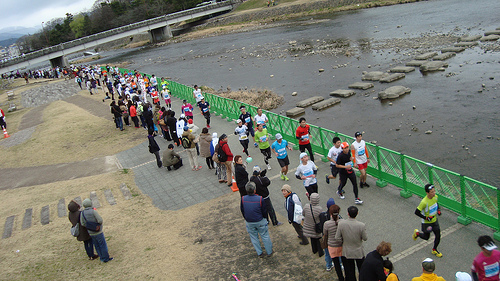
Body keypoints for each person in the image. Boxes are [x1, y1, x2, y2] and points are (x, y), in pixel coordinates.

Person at [240, 182, 273, 258]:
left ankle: (259, 253)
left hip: (249, 221)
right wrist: (264, 218)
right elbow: (264, 211)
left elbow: (242, 210)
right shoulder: (260, 199)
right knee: (265, 236)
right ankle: (269, 251)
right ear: (254, 190)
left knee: (254, 237)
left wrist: (246, 218)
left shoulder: (243, 199)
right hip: (260, 220)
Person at [335, 206, 368, 281]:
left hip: (347, 251)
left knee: (350, 271)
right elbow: (365, 238)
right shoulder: (361, 225)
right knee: (361, 270)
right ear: (357, 213)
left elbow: (337, 238)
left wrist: (343, 241)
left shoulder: (341, 224)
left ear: (348, 214)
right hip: (358, 251)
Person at [412, 184, 442, 258]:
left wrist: (438, 210)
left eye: (434, 191)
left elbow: (436, 203)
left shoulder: (435, 197)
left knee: (438, 235)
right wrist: (426, 218)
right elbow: (416, 212)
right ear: (427, 193)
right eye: (432, 192)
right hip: (427, 223)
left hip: (434, 220)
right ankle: (417, 233)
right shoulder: (424, 202)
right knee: (426, 237)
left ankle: (434, 249)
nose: (434, 193)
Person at [80, 198, 113, 263]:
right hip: (98, 231)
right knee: (102, 245)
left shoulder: (82, 213)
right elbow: (100, 220)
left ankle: (101, 258)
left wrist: (89, 226)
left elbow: (82, 223)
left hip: (90, 232)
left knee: (96, 245)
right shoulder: (93, 211)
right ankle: (106, 258)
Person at [324, 204, 346, 279]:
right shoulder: (343, 222)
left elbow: (325, 233)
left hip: (332, 246)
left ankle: (341, 278)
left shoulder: (327, 224)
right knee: (345, 262)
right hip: (342, 245)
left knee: (336, 264)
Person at [303, 192, 324, 257]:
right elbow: (321, 218)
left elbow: (303, 214)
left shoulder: (306, 206)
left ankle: (314, 250)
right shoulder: (319, 209)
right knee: (318, 239)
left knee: (312, 239)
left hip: (308, 226)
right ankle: (320, 252)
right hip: (316, 227)